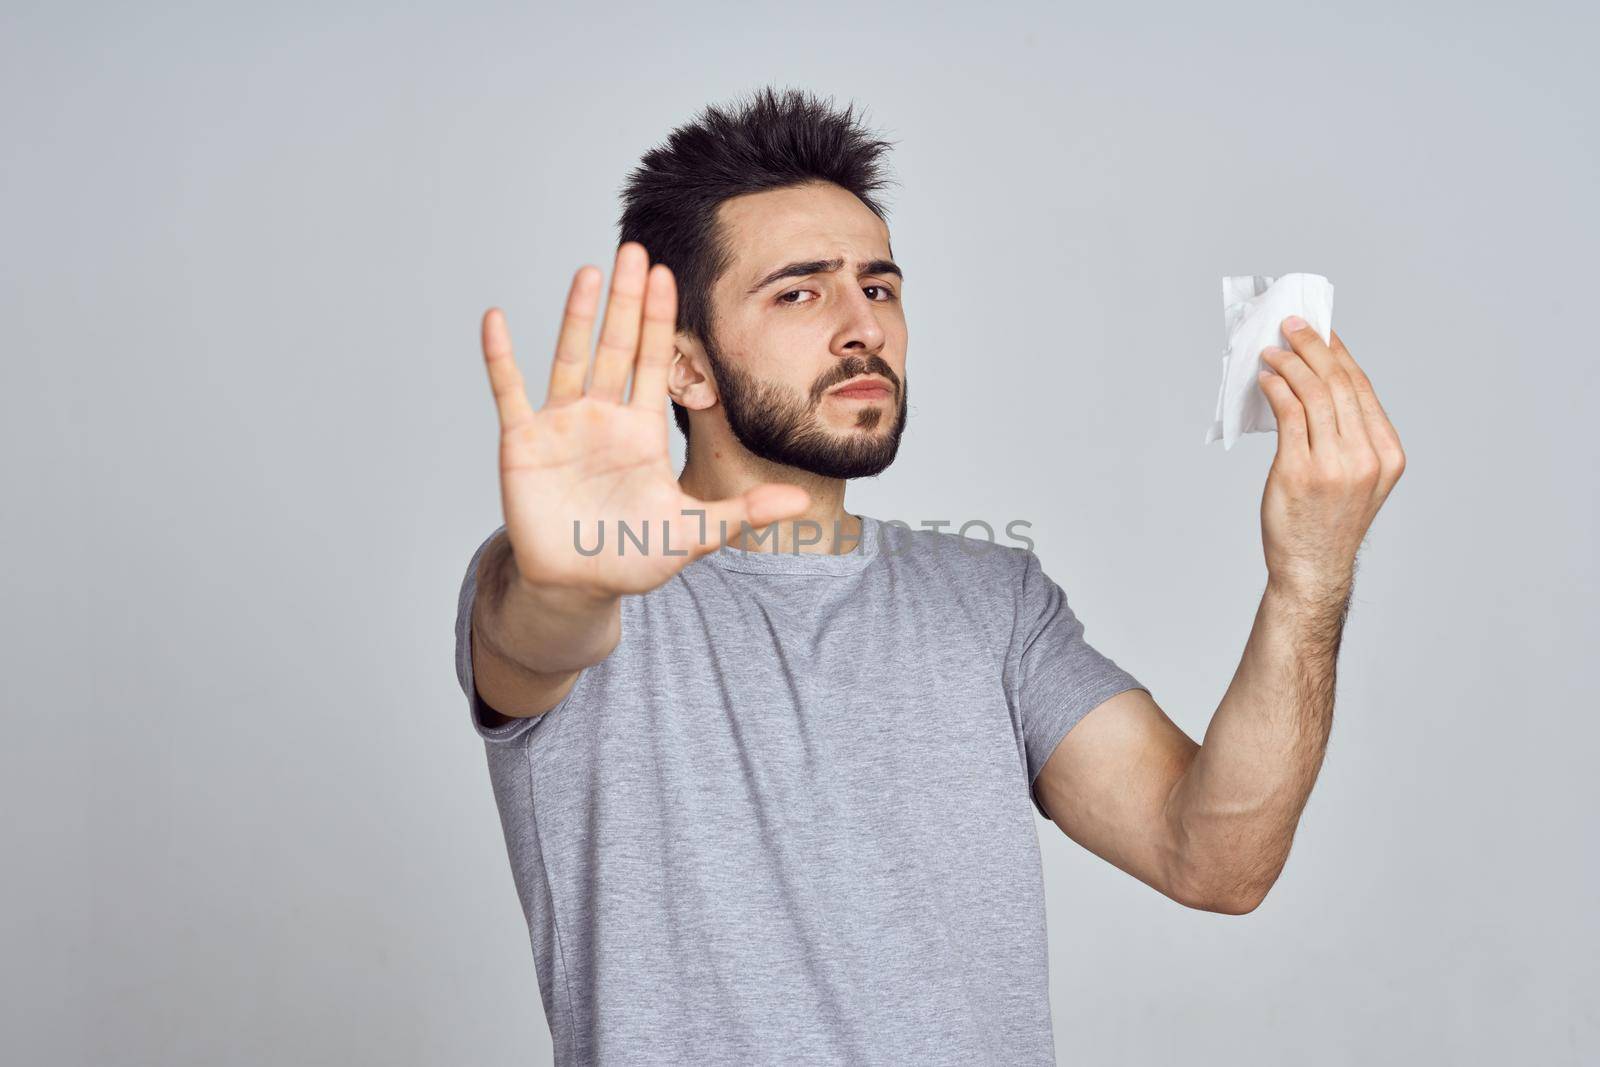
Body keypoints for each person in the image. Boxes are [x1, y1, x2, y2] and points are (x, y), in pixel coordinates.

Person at [452, 87, 1405, 1066]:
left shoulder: (992, 600)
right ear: (685, 367)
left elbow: (1215, 856)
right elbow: (533, 628)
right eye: (798, 290)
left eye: (878, 285)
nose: (861, 324)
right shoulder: (574, 579)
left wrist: (1309, 574)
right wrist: (566, 579)